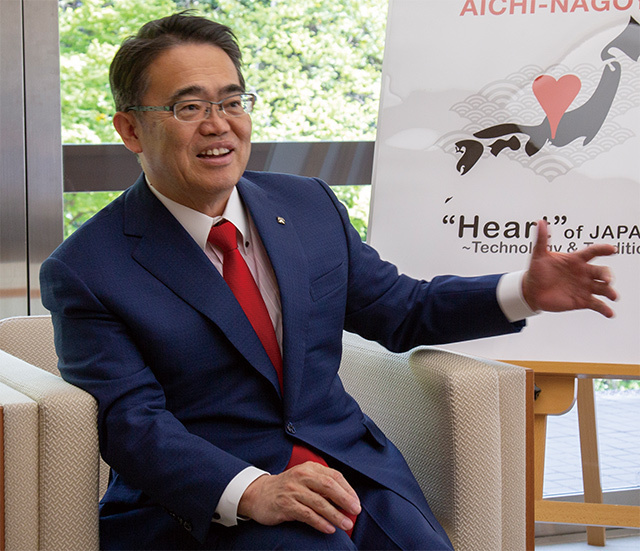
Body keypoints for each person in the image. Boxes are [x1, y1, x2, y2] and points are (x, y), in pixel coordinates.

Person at [40, 13, 618, 551]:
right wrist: (252, 491)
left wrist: (524, 292)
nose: (219, 125)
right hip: (210, 503)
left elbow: (401, 309)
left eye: (232, 101)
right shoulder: (87, 269)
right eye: (188, 107)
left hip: (347, 467)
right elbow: (132, 424)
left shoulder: (307, 205)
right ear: (131, 129)